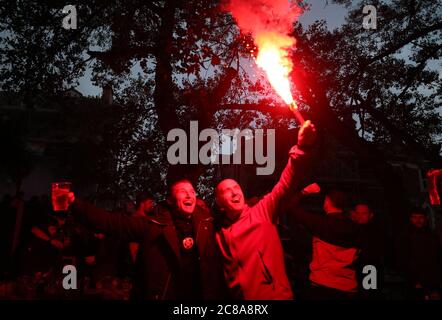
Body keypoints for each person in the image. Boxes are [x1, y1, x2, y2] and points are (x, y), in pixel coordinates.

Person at [59, 179, 226, 300]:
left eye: (191, 191)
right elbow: (113, 223)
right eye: (183, 191)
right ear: (171, 200)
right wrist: (76, 205)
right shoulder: (153, 225)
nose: (189, 194)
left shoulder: (207, 223)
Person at [214, 120, 316, 300]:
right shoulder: (218, 233)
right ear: (219, 203)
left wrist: (302, 147)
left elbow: (285, 184)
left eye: (236, 188)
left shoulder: (262, 211)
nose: (234, 192)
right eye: (227, 191)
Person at [290, 190, 367, 299]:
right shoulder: (357, 228)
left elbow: (291, 207)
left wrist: (304, 192)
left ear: (327, 202)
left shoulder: (320, 223)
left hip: (322, 285)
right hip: (347, 287)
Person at [396, 208, 441, 300]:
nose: (418, 220)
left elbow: (437, 257)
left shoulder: (432, 235)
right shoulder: (404, 236)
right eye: (415, 217)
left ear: (425, 218)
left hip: (432, 279)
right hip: (414, 279)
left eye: (421, 217)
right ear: (410, 219)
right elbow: (402, 259)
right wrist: (413, 279)